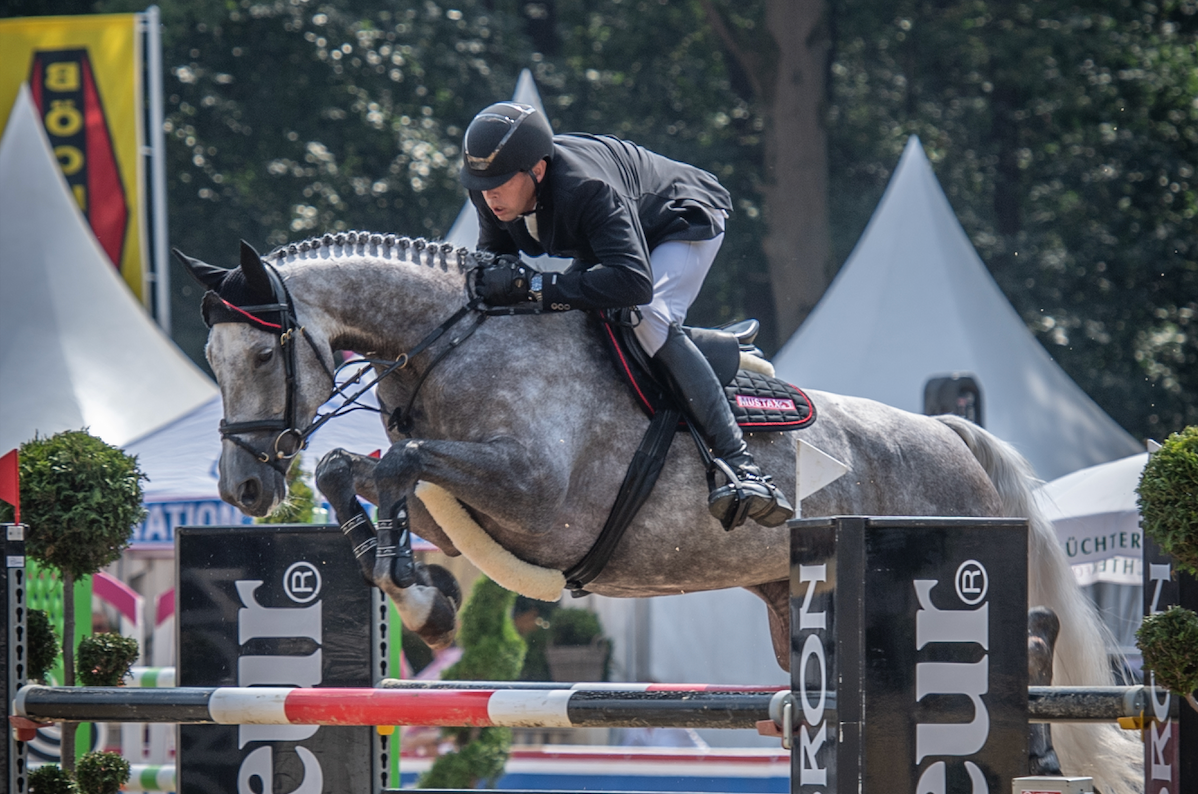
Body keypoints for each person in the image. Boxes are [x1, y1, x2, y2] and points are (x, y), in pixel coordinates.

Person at [460, 101, 793, 529]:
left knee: (647, 314)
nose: (489, 195)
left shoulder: (586, 188)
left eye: (499, 183)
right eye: (480, 182)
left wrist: (539, 288)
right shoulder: (490, 189)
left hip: (681, 220)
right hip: (615, 240)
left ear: (537, 170)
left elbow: (634, 283)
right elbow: (496, 260)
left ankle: (740, 465)